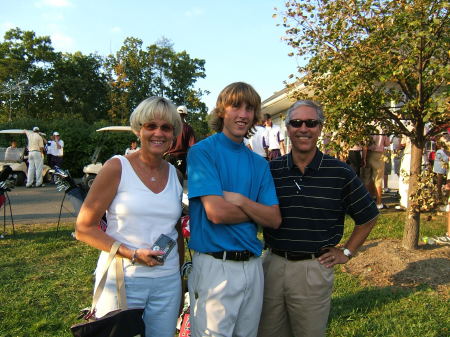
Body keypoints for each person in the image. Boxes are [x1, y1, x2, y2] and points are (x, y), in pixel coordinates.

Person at [258, 100, 378, 337]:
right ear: (288, 129)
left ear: (320, 128)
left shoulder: (340, 172)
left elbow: (368, 216)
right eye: (296, 123)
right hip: (272, 266)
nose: (304, 128)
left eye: (311, 123)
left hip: (313, 269)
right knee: (266, 332)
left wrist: (346, 252)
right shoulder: (271, 170)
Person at [75, 96, 185, 337]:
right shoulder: (117, 167)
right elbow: (84, 228)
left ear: (173, 133)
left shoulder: (175, 175)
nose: (159, 133)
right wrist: (132, 253)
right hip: (123, 279)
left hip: (167, 283)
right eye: (151, 126)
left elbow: (175, 232)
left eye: (166, 127)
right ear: (138, 130)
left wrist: (178, 280)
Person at [187, 82, 282, 337]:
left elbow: (274, 219)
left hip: (253, 268)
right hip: (215, 266)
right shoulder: (202, 152)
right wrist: (256, 211)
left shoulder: (259, 164)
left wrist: (240, 200)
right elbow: (217, 213)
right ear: (221, 111)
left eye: (250, 108)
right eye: (235, 106)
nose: (243, 114)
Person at [164, 105, 196, 177]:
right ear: (185, 115)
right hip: (180, 158)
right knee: (178, 181)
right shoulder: (188, 128)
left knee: (166, 181)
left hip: (168, 157)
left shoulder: (169, 127)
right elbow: (193, 146)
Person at [362, 133, 390, 209]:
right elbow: (387, 143)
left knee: (367, 179)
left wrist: (364, 157)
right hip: (379, 155)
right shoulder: (384, 128)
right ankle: (379, 203)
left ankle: (366, 202)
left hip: (368, 153)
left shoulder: (368, 127)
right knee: (378, 179)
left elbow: (365, 143)